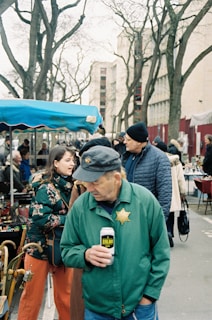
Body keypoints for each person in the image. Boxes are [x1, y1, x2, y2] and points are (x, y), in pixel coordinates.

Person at [61, 145, 170, 320]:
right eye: (86, 182)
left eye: (95, 182)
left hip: (139, 308)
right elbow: (66, 250)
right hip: (97, 309)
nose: (89, 188)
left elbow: (161, 253)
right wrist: (86, 254)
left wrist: (149, 296)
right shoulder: (80, 207)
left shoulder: (145, 201)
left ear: (116, 178)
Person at [17, 146, 76, 320]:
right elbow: (40, 219)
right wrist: (68, 220)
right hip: (39, 249)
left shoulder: (72, 184)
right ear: (55, 163)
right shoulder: (45, 187)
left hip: (60, 247)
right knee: (32, 298)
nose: (72, 163)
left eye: (73, 160)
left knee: (66, 297)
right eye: (67, 160)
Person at [123, 122, 172, 221]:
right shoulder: (125, 157)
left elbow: (165, 193)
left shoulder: (159, 158)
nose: (124, 142)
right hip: (125, 215)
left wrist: (159, 221)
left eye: (128, 139)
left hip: (146, 216)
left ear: (139, 142)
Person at [156, 141, 187, 247]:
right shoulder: (175, 160)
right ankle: (169, 232)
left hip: (159, 191)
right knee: (171, 214)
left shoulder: (156, 159)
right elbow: (180, 178)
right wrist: (183, 192)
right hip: (173, 191)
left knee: (160, 214)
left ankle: (162, 235)